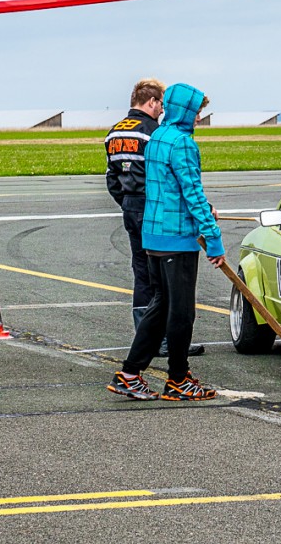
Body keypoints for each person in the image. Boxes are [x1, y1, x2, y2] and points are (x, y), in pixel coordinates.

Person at [107, 83, 224, 401]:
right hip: (176, 240)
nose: (199, 117)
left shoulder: (158, 137)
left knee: (159, 308)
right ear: (186, 111)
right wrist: (212, 236)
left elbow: (169, 188)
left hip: (153, 237)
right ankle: (177, 378)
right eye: (198, 111)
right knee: (181, 313)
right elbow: (192, 192)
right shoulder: (183, 143)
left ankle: (130, 373)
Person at [104, 78, 203, 356]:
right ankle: (164, 339)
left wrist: (126, 203)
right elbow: (161, 177)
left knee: (140, 272)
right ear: (152, 102)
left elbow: (111, 177)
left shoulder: (114, 132)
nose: (162, 110)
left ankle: (144, 335)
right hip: (155, 210)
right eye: (160, 104)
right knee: (163, 281)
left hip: (130, 207)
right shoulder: (153, 132)